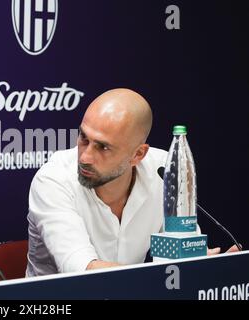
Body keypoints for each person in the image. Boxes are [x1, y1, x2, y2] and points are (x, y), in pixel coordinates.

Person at [26, 88, 238, 277]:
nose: (85, 157)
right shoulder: (53, 180)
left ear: (138, 154)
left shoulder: (163, 172)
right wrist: (162, 277)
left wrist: (211, 270)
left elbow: (181, 251)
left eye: (103, 147)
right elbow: (83, 271)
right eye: (83, 138)